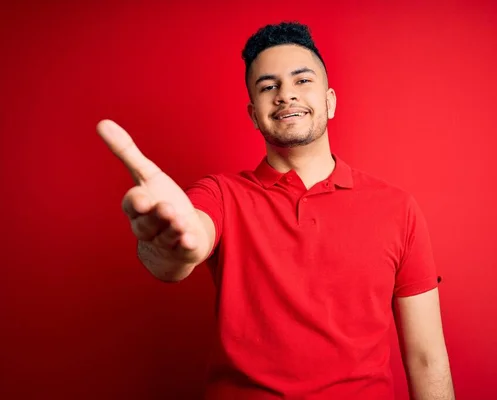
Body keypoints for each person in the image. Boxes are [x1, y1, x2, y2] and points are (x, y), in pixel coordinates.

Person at [97, 21, 455, 400]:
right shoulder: (221, 194)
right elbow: (186, 240)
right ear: (254, 114)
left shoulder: (398, 208)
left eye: (302, 81)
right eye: (269, 87)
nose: (286, 95)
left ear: (330, 101)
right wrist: (167, 245)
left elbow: (427, 359)